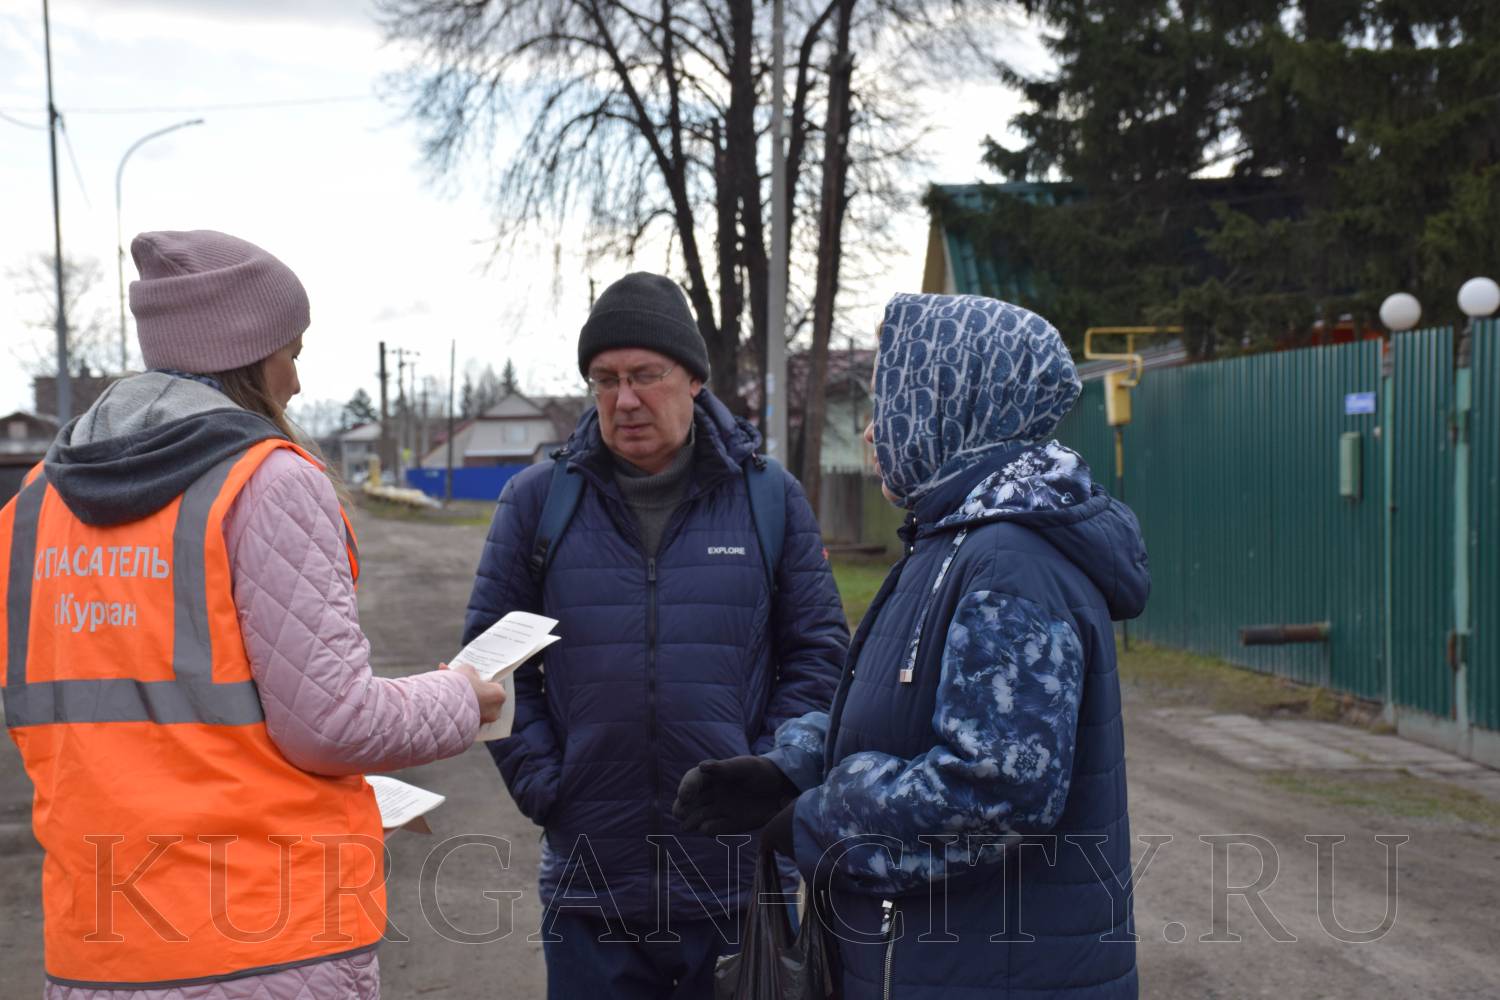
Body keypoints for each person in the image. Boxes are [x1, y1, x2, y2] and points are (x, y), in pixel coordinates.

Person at [0, 230, 506, 999]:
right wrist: (460, 698)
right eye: (289, 353)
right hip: (265, 943)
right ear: (244, 357)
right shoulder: (266, 482)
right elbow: (333, 724)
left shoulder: (34, 507)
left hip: (98, 949)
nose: (296, 381)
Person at [674, 292, 1151, 998]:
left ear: (955, 404)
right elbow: (900, 716)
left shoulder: (1010, 563)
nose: (874, 429)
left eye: (893, 401)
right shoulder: (953, 540)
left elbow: (994, 793)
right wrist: (789, 769)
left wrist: (821, 820)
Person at [465, 271, 849, 999]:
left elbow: (820, 657)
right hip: (592, 889)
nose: (625, 399)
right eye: (605, 380)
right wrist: (548, 785)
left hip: (738, 884)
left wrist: (768, 774)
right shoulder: (537, 502)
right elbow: (490, 663)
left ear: (694, 379)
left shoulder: (768, 498)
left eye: (646, 375)